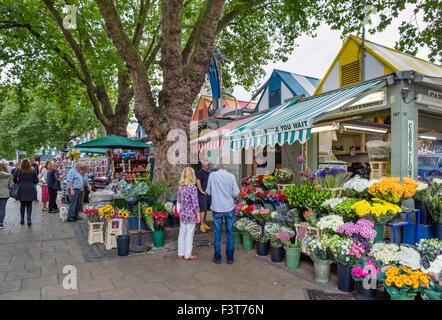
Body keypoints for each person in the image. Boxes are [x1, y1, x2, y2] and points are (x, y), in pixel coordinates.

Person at [206, 163, 239, 264]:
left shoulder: (212, 175)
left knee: (217, 233)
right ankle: (229, 258)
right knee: (230, 233)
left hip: (217, 208)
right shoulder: (231, 176)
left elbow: (208, 191)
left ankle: (217, 258)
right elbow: (236, 193)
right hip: (229, 208)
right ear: (226, 166)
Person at [177, 167, 200, 261]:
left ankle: (180, 253)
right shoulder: (193, 188)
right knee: (189, 234)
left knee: (182, 233)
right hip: (191, 214)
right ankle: (188, 255)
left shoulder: (180, 187)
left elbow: (178, 201)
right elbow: (195, 203)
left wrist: (180, 212)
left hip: (182, 213)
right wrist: (198, 214)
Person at [13, 159, 38, 227]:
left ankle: (22, 220)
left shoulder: (19, 170)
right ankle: (29, 219)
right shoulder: (32, 171)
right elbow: (36, 181)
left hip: (21, 188)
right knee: (29, 205)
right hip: (30, 188)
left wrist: (18, 182)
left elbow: (14, 179)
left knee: (22, 204)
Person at [196, 160, 211, 233]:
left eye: (209, 164)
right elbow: (198, 181)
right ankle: (201, 225)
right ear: (203, 165)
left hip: (207, 194)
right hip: (201, 195)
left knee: (205, 210)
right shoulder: (200, 172)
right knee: (202, 210)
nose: (209, 165)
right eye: (208, 164)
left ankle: (204, 223)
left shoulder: (208, 173)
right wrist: (201, 191)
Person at [0, 163, 13, 229]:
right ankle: (1, 223)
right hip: (4, 194)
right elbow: (11, 186)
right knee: (2, 208)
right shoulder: (9, 176)